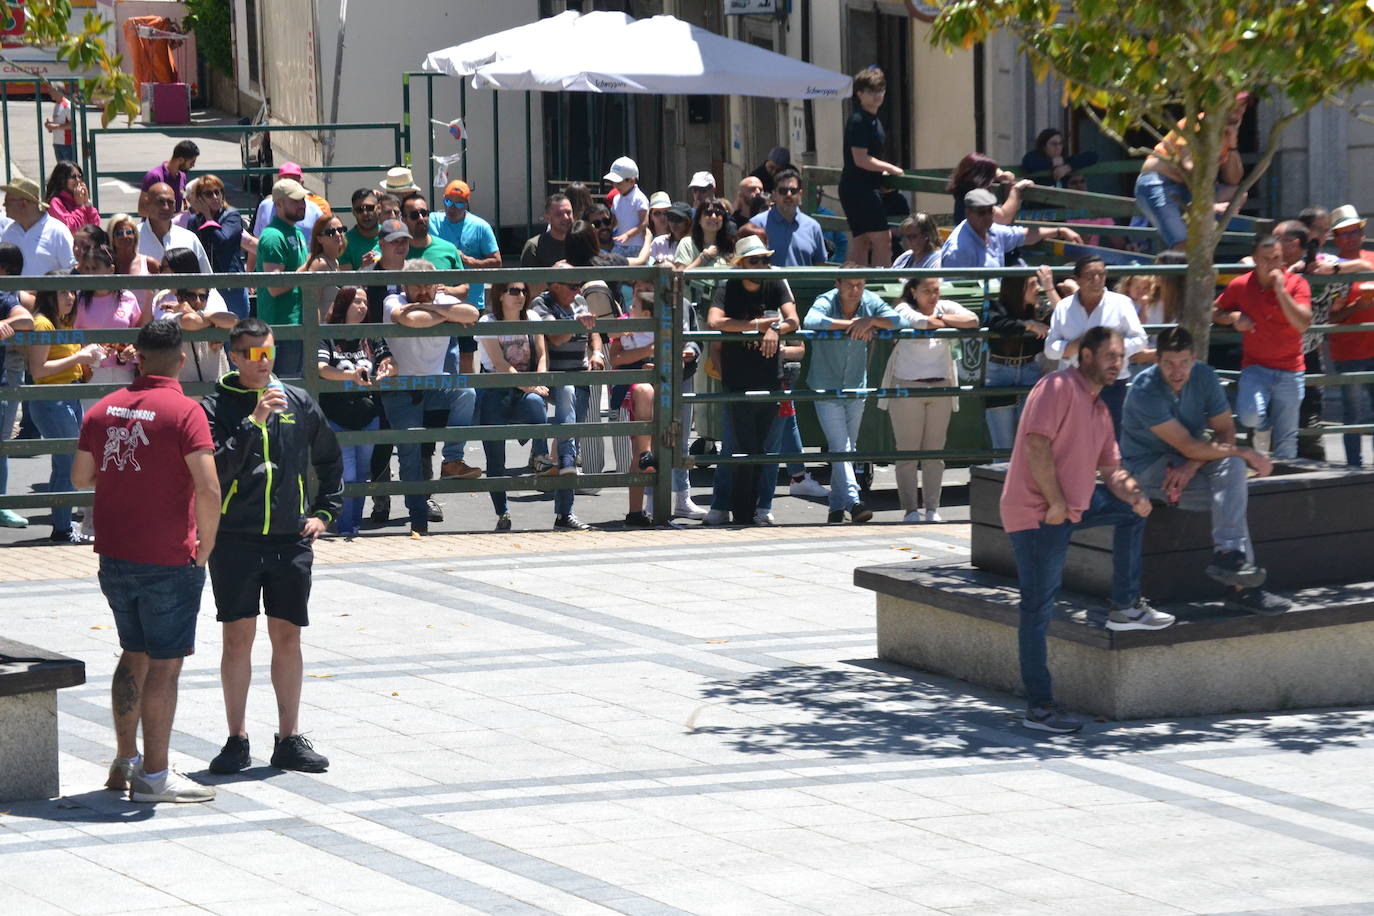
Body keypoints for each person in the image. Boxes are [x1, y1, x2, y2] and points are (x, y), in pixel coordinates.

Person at [70, 319, 220, 803]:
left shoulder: (100, 410)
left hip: (115, 553)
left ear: (137, 355)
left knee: (132, 655)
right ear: (181, 358)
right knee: (165, 667)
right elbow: (208, 486)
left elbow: (79, 478)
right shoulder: (185, 411)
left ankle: (124, 762)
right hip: (168, 556)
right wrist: (207, 546)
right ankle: (155, 776)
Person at [1001, 326, 1173, 734]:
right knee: (1037, 609)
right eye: (1111, 356)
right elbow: (1036, 445)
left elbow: (1112, 471)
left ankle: (1125, 605)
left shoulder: (1098, 407)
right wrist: (1056, 503)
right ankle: (1039, 709)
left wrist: (1135, 495)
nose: (1118, 363)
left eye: (1121, 357)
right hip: (1037, 515)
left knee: (1133, 513)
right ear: (1088, 357)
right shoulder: (1057, 386)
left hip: (1072, 508)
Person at [201, 317, 341, 775]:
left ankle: (288, 738)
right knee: (237, 638)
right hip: (235, 540)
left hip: (289, 539)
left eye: (270, 352)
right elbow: (215, 471)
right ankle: (236, 739)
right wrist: (253, 421)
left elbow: (329, 457)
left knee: (288, 637)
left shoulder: (298, 401)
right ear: (234, 356)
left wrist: (324, 513)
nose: (264, 362)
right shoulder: (214, 405)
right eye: (254, 354)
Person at [1121, 326, 1292, 616]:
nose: (1178, 371)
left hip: (1189, 463)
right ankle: (1244, 588)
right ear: (1156, 359)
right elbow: (1188, 444)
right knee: (1233, 489)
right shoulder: (1143, 391)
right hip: (1148, 469)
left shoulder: (1205, 376)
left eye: (1184, 362)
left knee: (1233, 470)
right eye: (1169, 363)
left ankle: (1229, 555)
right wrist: (1246, 451)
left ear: (1194, 358)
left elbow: (1225, 430)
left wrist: (1192, 464)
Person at [381, 260, 481, 537]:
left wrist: (433, 307)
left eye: (428, 284)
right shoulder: (393, 299)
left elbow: (472, 313)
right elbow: (409, 319)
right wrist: (447, 314)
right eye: (417, 286)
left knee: (466, 392)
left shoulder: (440, 299)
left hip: (436, 385)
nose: (423, 291)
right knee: (410, 448)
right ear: (405, 286)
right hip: (401, 387)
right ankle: (418, 515)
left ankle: (452, 461)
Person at [706, 235, 800, 525]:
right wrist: (758, 325)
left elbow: (793, 320)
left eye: (765, 259)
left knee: (768, 450)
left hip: (771, 379)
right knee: (733, 447)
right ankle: (723, 506)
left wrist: (775, 331)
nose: (762, 265)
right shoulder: (727, 285)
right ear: (741, 264)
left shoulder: (776, 282)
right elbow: (714, 322)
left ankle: (763, 508)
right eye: (755, 260)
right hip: (736, 379)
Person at [803, 268, 901, 523]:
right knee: (841, 448)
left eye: (859, 284)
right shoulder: (826, 300)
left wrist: (871, 321)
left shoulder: (869, 301)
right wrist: (853, 325)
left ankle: (836, 509)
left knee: (847, 448)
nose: (855, 290)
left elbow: (898, 320)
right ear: (838, 284)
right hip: (826, 386)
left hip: (856, 386)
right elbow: (811, 321)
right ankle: (855, 502)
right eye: (849, 284)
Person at [882, 275, 979, 522]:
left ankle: (932, 509)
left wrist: (942, 319)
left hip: (941, 387)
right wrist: (943, 323)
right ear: (913, 291)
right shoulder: (902, 307)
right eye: (927, 291)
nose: (933, 296)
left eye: (936, 290)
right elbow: (919, 322)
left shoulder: (944, 308)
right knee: (907, 453)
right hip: (907, 387)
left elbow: (973, 319)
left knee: (934, 453)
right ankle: (910, 510)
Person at [1212, 235, 1312, 460]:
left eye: (1276, 258)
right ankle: (1264, 426)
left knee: (1287, 440)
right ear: (1255, 259)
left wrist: (1281, 291)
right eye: (1266, 259)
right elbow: (1214, 311)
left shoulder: (1297, 284)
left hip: (1291, 369)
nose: (1272, 264)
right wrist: (1233, 317)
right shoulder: (1241, 284)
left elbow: (1302, 324)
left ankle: (1283, 489)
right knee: (1249, 416)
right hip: (1256, 367)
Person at [26, 273, 103, 543]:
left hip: (68, 396)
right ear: (50, 295)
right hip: (51, 401)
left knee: (68, 462)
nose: (70, 297)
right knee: (67, 463)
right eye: (63, 292)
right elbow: (38, 369)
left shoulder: (65, 321)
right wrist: (79, 356)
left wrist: (87, 362)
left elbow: (70, 366)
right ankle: (62, 529)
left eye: (72, 291)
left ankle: (63, 524)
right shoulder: (43, 324)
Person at [530, 263, 603, 530]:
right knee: (567, 436)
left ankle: (564, 513)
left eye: (578, 285)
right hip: (554, 377)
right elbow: (557, 338)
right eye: (572, 286)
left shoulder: (579, 299)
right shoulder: (541, 304)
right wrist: (576, 324)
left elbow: (593, 328)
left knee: (567, 436)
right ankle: (564, 462)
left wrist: (596, 352)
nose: (577, 290)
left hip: (579, 375)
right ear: (555, 285)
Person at [317, 286, 394, 537]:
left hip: (367, 413)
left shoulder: (370, 335)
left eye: (365, 302)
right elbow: (321, 368)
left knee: (361, 473)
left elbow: (389, 360)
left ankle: (353, 526)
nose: (362, 307)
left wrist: (386, 368)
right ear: (343, 305)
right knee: (347, 473)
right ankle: (344, 526)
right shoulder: (327, 334)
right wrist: (350, 375)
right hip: (337, 414)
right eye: (356, 302)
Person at [475, 280, 551, 531]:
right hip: (494, 392)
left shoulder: (532, 317)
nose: (520, 295)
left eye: (523, 290)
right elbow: (499, 364)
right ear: (500, 295)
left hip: (526, 391)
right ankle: (502, 511)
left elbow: (541, 354)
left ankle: (541, 455)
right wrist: (532, 385)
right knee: (495, 459)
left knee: (535, 403)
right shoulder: (488, 323)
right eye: (513, 291)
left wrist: (538, 382)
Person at [1044, 255, 1149, 436]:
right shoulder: (1063, 307)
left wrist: (1110, 351)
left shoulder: (1122, 303)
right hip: (1074, 384)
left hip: (1112, 383)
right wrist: (1072, 347)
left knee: (1111, 442)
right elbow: (1050, 349)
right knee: (1073, 441)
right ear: (1077, 279)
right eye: (1090, 275)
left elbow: (1140, 339)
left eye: (1101, 274)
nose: (1097, 280)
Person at [1134, 93, 1249, 250]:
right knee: (1183, 246)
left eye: (1243, 105)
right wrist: (1208, 205)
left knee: (1239, 193)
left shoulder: (1228, 132)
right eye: (1234, 105)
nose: (1239, 111)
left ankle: (1202, 221)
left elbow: (1233, 180)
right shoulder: (1197, 123)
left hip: (1191, 192)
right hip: (1159, 183)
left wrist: (1232, 144)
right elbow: (1189, 168)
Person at [984, 266, 1057, 450]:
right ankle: (1002, 479)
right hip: (1000, 373)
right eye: (1033, 284)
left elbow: (1065, 316)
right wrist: (1027, 325)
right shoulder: (996, 307)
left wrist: (1050, 290)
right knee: (1003, 446)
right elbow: (996, 323)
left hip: (1030, 370)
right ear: (1018, 288)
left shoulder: (1040, 310)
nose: (1037, 288)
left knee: (1031, 443)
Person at [607, 289, 663, 527]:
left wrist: (651, 356)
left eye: (635, 306)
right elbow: (616, 358)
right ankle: (645, 456)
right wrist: (648, 351)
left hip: (658, 380)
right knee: (644, 391)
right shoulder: (624, 324)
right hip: (632, 385)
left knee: (642, 446)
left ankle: (635, 511)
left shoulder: (661, 325)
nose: (630, 309)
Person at [840, 67, 904, 267]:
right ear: (859, 93)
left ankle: (853, 283)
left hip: (861, 187)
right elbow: (861, 159)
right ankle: (880, 283)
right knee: (883, 240)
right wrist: (892, 169)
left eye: (880, 90)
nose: (877, 95)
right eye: (871, 91)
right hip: (859, 188)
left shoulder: (873, 120)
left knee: (862, 240)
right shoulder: (859, 121)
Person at [1326, 205, 1374, 466]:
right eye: (1344, 233)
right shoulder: (1331, 269)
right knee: (1352, 413)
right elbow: (1329, 318)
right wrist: (1357, 307)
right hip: (1349, 352)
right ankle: (1354, 467)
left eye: (1354, 231)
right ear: (1335, 239)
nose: (1351, 237)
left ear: (1362, 233)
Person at [938, 188, 1082, 269]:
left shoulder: (992, 230)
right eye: (981, 212)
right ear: (968, 213)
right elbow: (955, 292)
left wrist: (1060, 230)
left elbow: (1024, 235)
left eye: (990, 211)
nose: (987, 217)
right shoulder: (959, 249)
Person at [255, 178, 310, 377]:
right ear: (278, 204)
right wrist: (309, 267)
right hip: (279, 328)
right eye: (295, 201)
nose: (302, 204)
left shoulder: (296, 233)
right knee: (283, 388)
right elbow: (274, 287)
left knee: (293, 388)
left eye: (302, 199)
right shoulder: (273, 236)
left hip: (297, 325)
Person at [429, 179, 501, 318]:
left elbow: (497, 261)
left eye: (459, 203)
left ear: (467, 205)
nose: (452, 208)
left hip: (470, 302)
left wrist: (470, 261)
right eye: (449, 202)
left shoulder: (480, 227)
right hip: (437, 301)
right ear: (443, 199)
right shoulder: (432, 220)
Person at [0, 243, 34, 529]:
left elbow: (26, 319)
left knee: (1, 445)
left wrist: (3, 323)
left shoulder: (5, 295)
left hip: (3, 381)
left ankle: (2, 505)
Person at [186, 174, 249, 318]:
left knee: (235, 329)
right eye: (209, 194)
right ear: (199, 198)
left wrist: (208, 218)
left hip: (230, 284)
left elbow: (223, 241)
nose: (215, 197)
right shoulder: (194, 221)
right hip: (204, 285)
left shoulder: (231, 217)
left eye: (218, 192)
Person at [748, 169, 827, 269]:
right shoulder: (756, 225)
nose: (788, 194)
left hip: (804, 284)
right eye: (783, 191)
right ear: (774, 195)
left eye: (793, 191)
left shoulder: (813, 227)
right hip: (768, 284)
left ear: (800, 194)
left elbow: (820, 265)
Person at [2, 176, 75, 274]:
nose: (4, 205)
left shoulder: (57, 231)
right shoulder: (8, 231)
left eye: (8, 201)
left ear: (24, 204)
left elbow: (72, 270)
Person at [137, 182, 211, 273]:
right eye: (160, 201)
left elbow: (207, 280)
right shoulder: (133, 238)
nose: (166, 207)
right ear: (147, 204)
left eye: (170, 202)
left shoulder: (189, 238)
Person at [946, 153, 1029, 224]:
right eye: (990, 176)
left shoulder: (963, 189)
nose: (992, 179)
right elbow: (1003, 218)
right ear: (981, 178)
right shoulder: (974, 198)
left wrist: (1001, 175)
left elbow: (994, 169)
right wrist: (1016, 191)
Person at [521, 193, 575, 297]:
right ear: (548, 218)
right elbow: (528, 290)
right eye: (559, 214)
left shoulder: (581, 241)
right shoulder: (534, 246)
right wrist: (553, 274)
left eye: (569, 212)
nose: (566, 217)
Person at [254, 162, 324, 238]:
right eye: (285, 181)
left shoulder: (315, 210)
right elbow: (257, 238)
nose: (290, 185)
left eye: (294, 181)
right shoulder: (265, 206)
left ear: (302, 183)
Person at [300, 213, 349, 322]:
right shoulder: (320, 264)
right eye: (330, 232)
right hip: (323, 333)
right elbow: (311, 305)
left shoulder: (334, 261)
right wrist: (317, 335)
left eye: (341, 230)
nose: (338, 234)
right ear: (319, 239)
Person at [605, 156, 649, 258]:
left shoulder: (639, 198)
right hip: (619, 245)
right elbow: (615, 222)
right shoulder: (616, 199)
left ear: (632, 181)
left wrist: (627, 235)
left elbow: (644, 222)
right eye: (614, 183)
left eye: (619, 183)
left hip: (637, 246)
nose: (615, 186)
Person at [1020, 128, 1099, 185]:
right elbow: (1028, 163)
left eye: (1060, 143)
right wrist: (1052, 162)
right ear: (1044, 146)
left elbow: (1093, 156)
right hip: (1035, 205)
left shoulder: (1063, 161)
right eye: (1054, 144)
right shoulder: (1033, 157)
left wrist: (1067, 168)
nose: (1058, 147)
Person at [677, 198, 735, 270]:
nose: (714, 217)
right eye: (708, 213)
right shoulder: (687, 244)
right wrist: (704, 257)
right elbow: (680, 275)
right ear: (699, 219)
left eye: (718, 213)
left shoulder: (729, 245)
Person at [142, 140, 199, 212]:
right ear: (181, 160)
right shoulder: (154, 176)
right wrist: (168, 217)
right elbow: (142, 210)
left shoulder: (182, 176)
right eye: (191, 162)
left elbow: (183, 198)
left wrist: (185, 211)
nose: (193, 165)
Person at [45, 161, 99, 232]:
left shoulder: (79, 199)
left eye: (79, 176)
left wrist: (87, 203)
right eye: (73, 177)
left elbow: (95, 227)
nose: (78, 180)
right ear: (62, 180)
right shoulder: (56, 202)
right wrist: (79, 207)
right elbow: (70, 229)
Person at [341, 188, 381, 270]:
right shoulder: (344, 243)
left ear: (379, 208)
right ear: (353, 212)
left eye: (370, 208)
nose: (365, 213)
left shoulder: (391, 236)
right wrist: (363, 269)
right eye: (359, 210)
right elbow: (346, 281)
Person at [44, 82, 74, 162]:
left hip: (66, 144)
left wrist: (55, 126)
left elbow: (72, 125)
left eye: (51, 90)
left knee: (69, 169)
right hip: (57, 142)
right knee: (61, 169)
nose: (49, 92)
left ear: (57, 91)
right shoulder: (57, 104)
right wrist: (49, 126)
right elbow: (58, 123)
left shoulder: (67, 105)